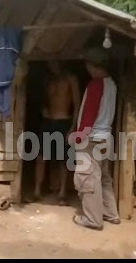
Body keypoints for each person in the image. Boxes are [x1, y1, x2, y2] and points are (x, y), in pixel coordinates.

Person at [72, 47, 121, 230]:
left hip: (91, 139)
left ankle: (92, 219)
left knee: (87, 178)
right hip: (105, 137)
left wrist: (79, 138)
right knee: (103, 178)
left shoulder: (96, 84)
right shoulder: (111, 84)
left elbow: (89, 114)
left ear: (92, 65)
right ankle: (111, 213)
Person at [31, 61, 80, 205]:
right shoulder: (48, 80)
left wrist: (73, 128)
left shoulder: (71, 79)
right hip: (48, 122)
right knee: (40, 156)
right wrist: (43, 110)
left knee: (63, 158)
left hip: (64, 122)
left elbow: (77, 105)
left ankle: (62, 192)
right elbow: (43, 101)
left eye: (54, 63)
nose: (52, 66)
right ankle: (36, 191)